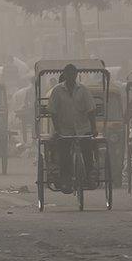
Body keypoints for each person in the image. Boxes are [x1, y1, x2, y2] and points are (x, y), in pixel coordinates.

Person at [46, 64, 96, 193]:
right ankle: (66, 180)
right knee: (64, 155)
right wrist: (57, 130)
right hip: (64, 129)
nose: (71, 77)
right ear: (65, 75)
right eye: (68, 74)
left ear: (76, 75)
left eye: (73, 74)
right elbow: (53, 112)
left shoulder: (83, 90)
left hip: (82, 128)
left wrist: (93, 128)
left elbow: (91, 110)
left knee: (87, 151)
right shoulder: (57, 91)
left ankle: (90, 174)